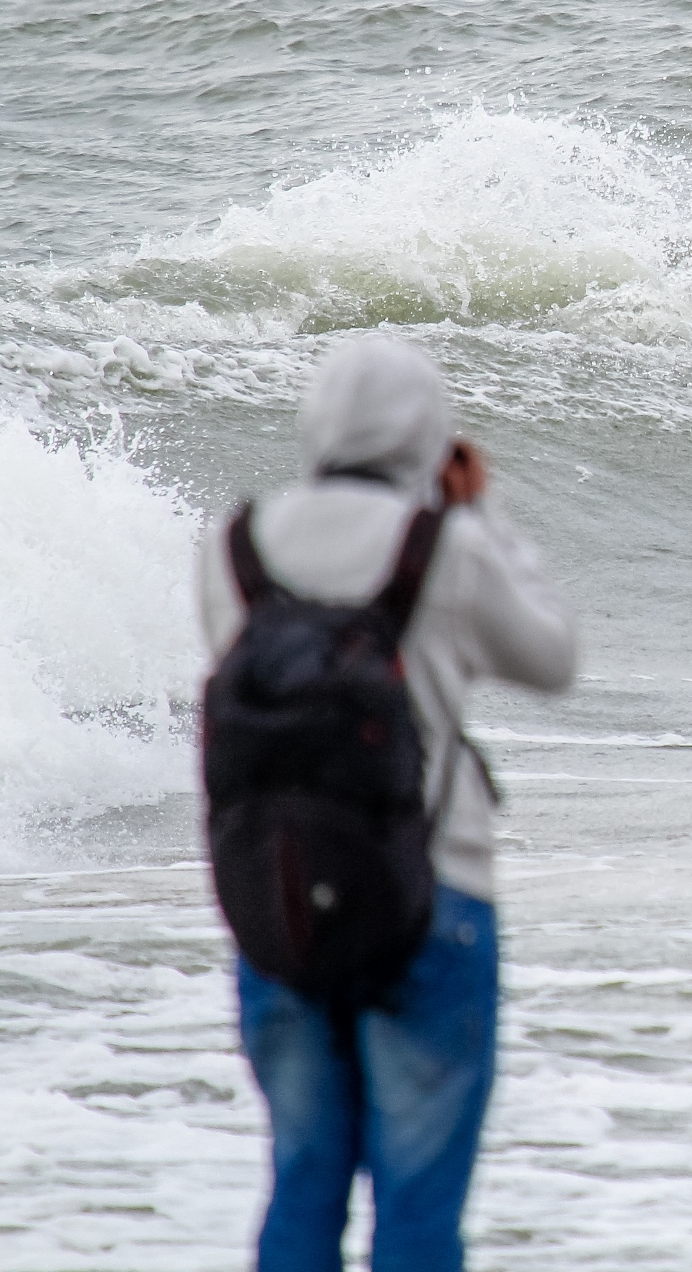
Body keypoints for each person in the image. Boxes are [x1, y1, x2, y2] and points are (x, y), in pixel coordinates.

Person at [198, 339, 576, 1271]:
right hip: (431, 899)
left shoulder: (234, 545)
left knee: (301, 1187)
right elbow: (551, 657)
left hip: (279, 901)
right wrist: (478, 512)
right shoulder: (442, 547)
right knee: (416, 1212)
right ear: (427, 432)